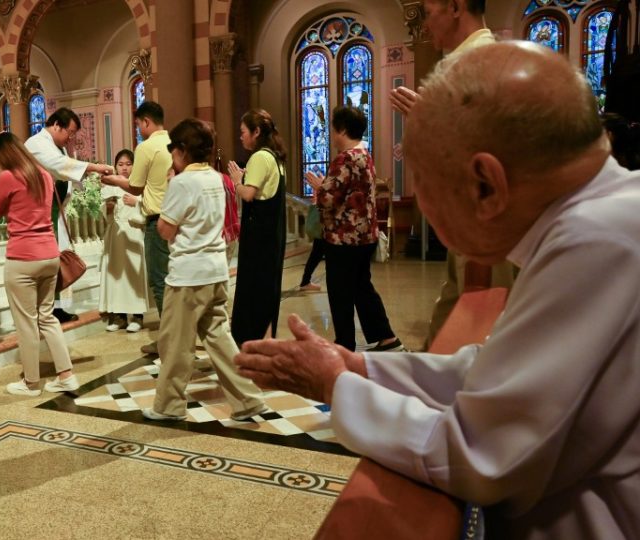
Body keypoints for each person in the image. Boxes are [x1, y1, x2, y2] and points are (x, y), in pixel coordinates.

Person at [236, 42, 640, 538]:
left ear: (485, 185)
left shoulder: (599, 244)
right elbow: (494, 374)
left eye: (424, 181)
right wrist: (361, 367)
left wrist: (333, 386)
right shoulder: (602, 219)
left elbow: (479, 455)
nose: (421, 203)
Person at [390, 0, 516, 348]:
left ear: (456, 6)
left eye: (429, 13)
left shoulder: (482, 63)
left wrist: (435, 124)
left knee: (478, 335)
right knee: (445, 337)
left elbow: (500, 157)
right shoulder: (463, 63)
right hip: (465, 226)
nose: (425, 24)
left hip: (485, 227)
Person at [144, 118, 266, 422]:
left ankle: (169, 406)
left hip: (188, 275)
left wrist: (171, 187)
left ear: (183, 150)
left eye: (173, 150)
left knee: (174, 343)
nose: (172, 157)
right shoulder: (216, 177)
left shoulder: (182, 182)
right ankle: (247, 399)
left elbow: (165, 229)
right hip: (216, 271)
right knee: (219, 339)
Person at [305, 106, 402, 352]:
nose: (332, 135)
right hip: (364, 235)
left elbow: (329, 200)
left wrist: (319, 186)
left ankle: (344, 344)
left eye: (333, 130)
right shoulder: (365, 155)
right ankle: (387, 337)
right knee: (361, 288)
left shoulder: (346, 158)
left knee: (341, 292)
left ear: (343, 130)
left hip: (344, 238)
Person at [0, 132, 78, 396]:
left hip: (22, 258)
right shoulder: (45, 175)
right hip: (50, 255)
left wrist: (11, 211)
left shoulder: (8, 177)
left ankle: (31, 383)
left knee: (27, 323)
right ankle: (66, 375)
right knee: (47, 317)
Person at [24, 108, 114, 323]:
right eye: (70, 132)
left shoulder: (56, 145)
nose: (71, 138)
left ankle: (56, 307)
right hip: (38, 214)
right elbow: (59, 166)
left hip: (54, 210)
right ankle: (43, 310)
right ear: (56, 125)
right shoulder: (36, 144)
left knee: (56, 261)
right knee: (46, 263)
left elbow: (67, 172)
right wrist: (94, 167)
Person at [100, 101, 173, 355]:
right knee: (170, 280)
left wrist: (111, 179)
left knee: (160, 281)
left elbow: (135, 186)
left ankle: (170, 341)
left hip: (155, 220)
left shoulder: (147, 146)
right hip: (174, 217)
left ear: (145, 122)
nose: (139, 129)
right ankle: (174, 336)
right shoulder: (172, 143)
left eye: (138, 125)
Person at [226, 109, 287, 347]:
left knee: (254, 290)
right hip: (272, 236)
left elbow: (249, 195)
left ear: (256, 132)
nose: (241, 137)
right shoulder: (275, 156)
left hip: (260, 238)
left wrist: (236, 181)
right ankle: (266, 339)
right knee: (267, 290)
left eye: (243, 132)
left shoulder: (260, 157)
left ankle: (251, 343)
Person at [99, 149, 149, 332]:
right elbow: (104, 213)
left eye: (128, 164)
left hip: (134, 234)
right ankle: (118, 317)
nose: (124, 168)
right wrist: (108, 208)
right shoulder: (110, 186)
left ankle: (137, 316)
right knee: (116, 277)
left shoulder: (140, 185)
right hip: (115, 236)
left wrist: (135, 201)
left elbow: (149, 208)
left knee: (133, 276)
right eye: (120, 164)